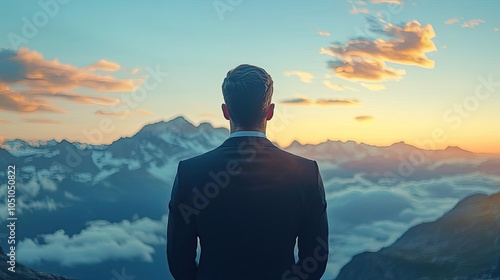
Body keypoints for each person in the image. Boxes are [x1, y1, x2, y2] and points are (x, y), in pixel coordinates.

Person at [167, 64, 329, 280]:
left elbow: (179, 261)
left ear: (225, 111)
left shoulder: (189, 173)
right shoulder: (307, 173)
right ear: (270, 112)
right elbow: (316, 260)